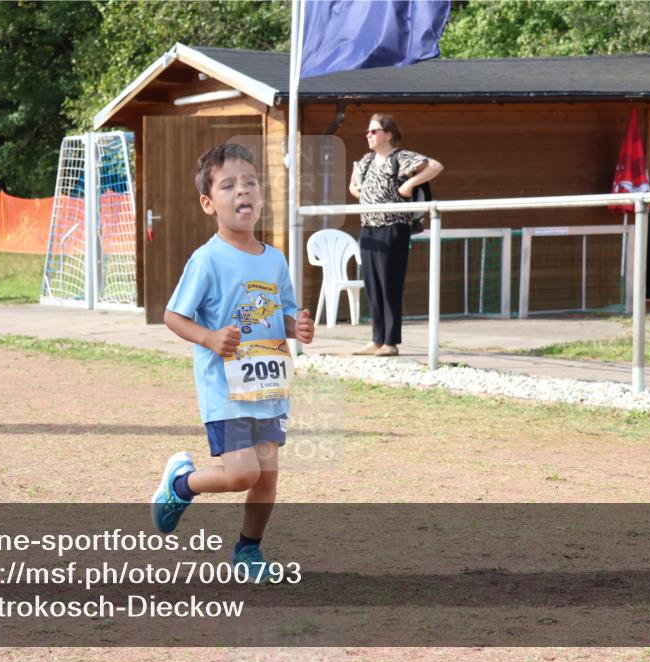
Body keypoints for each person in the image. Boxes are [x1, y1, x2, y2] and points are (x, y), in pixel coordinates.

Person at [153, 143, 315, 580]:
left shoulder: (275, 259)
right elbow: (173, 315)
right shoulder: (207, 259)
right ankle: (181, 484)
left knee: (266, 478)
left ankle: (248, 551)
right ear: (209, 203)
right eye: (228, 185)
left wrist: (294, 327)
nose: (242, 191)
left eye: (250, 183)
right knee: (242, 473)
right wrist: (208, 337)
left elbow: (278, 314)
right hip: (225, 389)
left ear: (261, 196)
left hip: (267, 385)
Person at [349, 114, 444, 356]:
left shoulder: (401, 157)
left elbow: (435, 166)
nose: (368, 135)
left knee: (389, 283)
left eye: (374, 131)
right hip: (368, 227)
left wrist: (410, 184)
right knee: (373, 284)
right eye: (368, 131)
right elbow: (353, 184)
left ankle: (390, 341)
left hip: (393, 227)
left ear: (388, 134)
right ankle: (377, 338)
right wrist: (358, 191)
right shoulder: (367, 160)